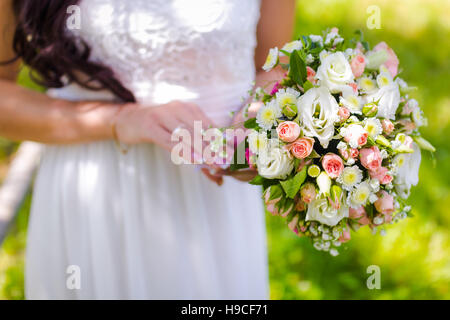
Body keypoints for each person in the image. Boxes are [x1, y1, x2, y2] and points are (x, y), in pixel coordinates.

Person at [0, 0, 295, 299]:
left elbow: (274, 67)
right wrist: (119, 119)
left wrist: (255, 126)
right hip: (94, 189)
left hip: (215, 198)